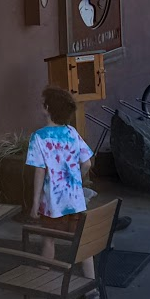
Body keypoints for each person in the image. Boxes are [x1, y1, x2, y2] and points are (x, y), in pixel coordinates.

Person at [27, 86, 95, 274]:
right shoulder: (72, 132)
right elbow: (87, 163)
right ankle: (92, 289)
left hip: (51, 202)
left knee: (48, 241)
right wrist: (76, 182)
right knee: (83, 245)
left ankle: (44, 280)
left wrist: (34, 204)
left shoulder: (38, 137)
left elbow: (40, 171)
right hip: (75, 200)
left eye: (43, 103)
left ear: (48, 108)